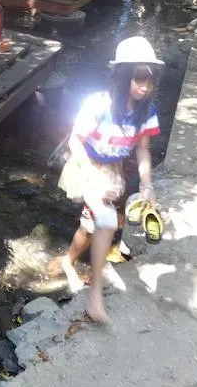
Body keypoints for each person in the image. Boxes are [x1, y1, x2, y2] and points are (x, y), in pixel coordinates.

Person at [58, 36, 162, 325]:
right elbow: (75, 142)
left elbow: (142, 149)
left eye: (149, 81)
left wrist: (147, 184)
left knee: (92, 224)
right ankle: (94, 296)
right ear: (122, 75)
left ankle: (69, 261)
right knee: (104, 220)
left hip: (113, 168)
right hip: (86, 165)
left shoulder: (146, 111)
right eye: (138, 79)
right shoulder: (98, 105)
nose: (144, 87)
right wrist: (93, 177)